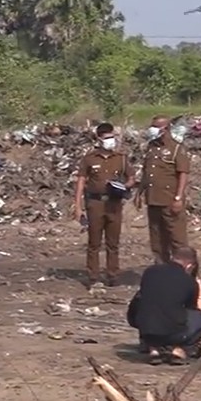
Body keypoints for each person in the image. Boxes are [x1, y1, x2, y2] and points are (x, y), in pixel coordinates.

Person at [127, 246, 201, 365]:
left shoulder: (150, 271)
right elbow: (191, 310)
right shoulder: (189, 281)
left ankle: (154, 349)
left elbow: (141, 298)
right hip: (172, 332)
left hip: (145, 330)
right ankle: (179, 350)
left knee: (152, 310)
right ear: (189, 265)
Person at [73, 122, 134, 287]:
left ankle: (112, 274)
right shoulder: (90, 159)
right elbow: (80, 182)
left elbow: (131, 178)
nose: (111, 141)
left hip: (114, 203)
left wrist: (124, 186)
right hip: (95, 203)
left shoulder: (120, 159)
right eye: (107, 138)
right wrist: (78, 206)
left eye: (112, 137)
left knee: (113, 242)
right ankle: (93, 275)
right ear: (99, 139)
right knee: (94, 241)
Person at [137, 115, 190, 263]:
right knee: (157, 240)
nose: (151, 130)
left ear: (165, 129)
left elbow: (183, 174)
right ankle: (162, 270)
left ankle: (183, 272)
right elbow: (147, 172)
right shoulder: (151, 147)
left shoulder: (176, 148)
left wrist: (178, 198)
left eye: (155, 127)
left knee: (177, 239)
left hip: (170, 200)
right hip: (153, 199)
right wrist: (139, 192)